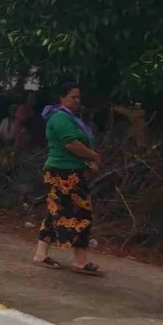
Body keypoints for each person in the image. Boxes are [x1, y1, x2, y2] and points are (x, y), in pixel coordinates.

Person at [32, 84, 104, 276]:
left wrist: (88, 161)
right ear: (62, 98)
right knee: (81, 211)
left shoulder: (71, 117)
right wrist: (94, 156)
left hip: (69, 170)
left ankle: (41, 254)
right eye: (73, 97)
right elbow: (71, 143)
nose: (77, 101)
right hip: (63, 172)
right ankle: (80, 260)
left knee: (55, 209)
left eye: (79, 97)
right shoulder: (60, 117)